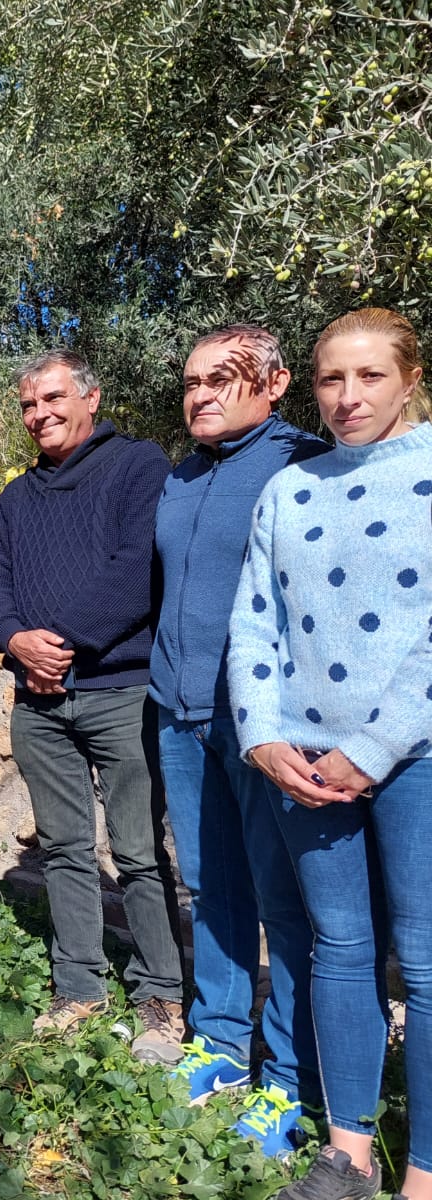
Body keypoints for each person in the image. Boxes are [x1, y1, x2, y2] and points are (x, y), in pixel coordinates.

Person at [230, 307, 432, 1200]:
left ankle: (424, 1169)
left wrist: (374, 747)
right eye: (330, 380)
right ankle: (348, 1153)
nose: (347, 398)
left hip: (417, 758)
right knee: (338, 950)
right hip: (303, 766)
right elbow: (254, 622)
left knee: (424, 963)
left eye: (369, 377)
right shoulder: (291, 488)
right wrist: (263, 735)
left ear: (410, 378)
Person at [0, 348, 185, 1062]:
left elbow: (139, 568)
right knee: (64, 848)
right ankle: (80, 987)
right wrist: (13, 639)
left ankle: (160, 996)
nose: (40, 415)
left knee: (136, 852)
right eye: (30, 405)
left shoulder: (138, 466)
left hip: (119, 691)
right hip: (38, 702)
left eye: (53, 399)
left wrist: (56, 641)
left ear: (91, 398)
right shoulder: (16, 498)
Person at [152, 325, 326, 1154]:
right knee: (210, 887)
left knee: (283, 902)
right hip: (181, 713)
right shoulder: (179, 476)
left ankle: (288, 1080)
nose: (202, 395)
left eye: (222, 380)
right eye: (192, 382)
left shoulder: (305, 464)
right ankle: (219, 1042)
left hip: (266, 726)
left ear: (276, 382)